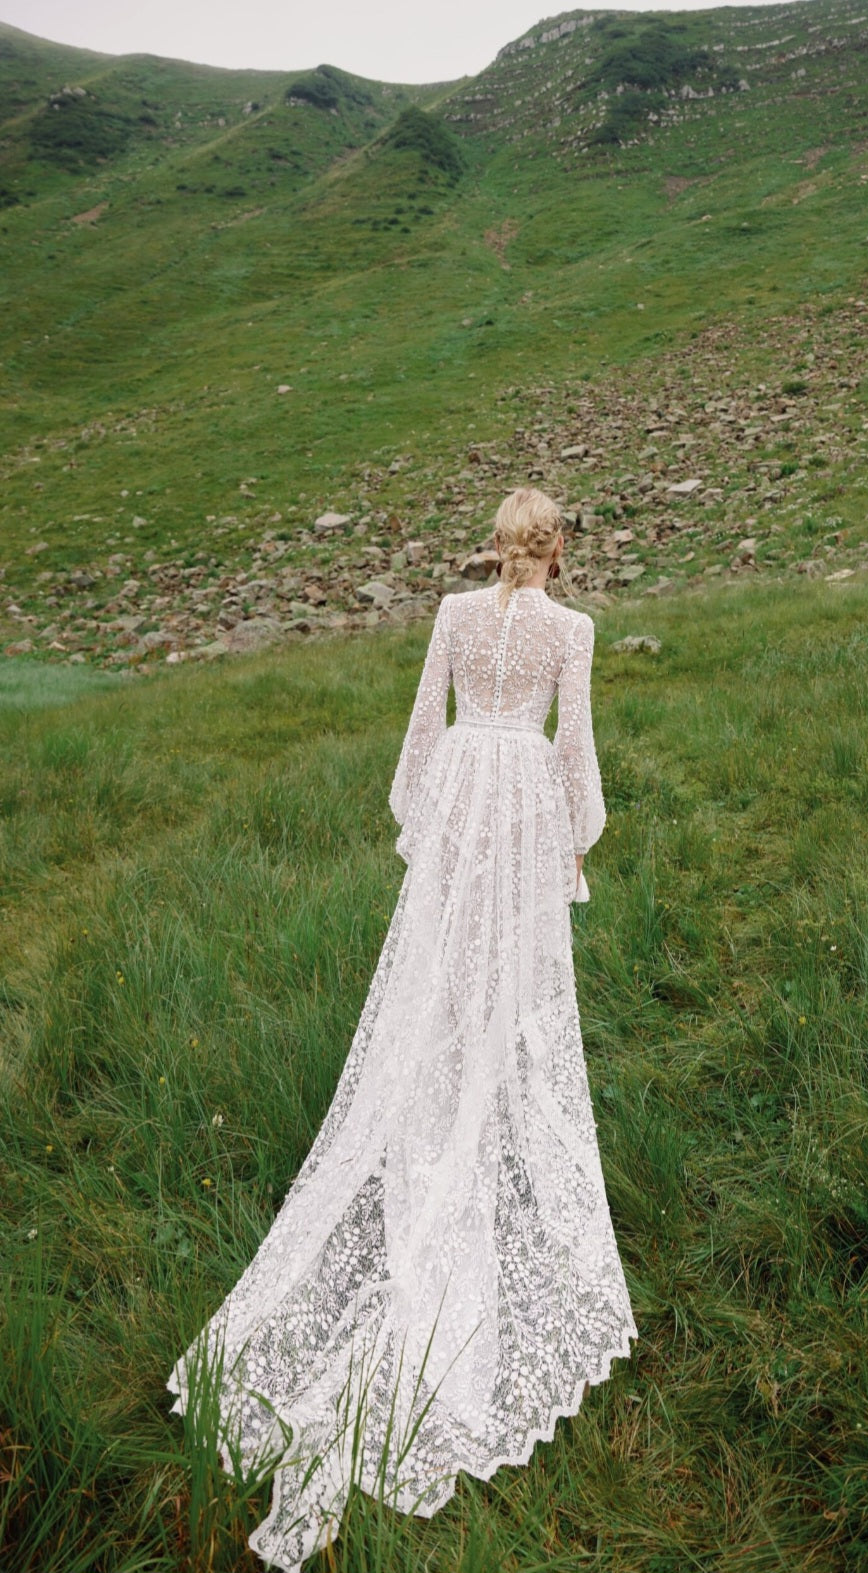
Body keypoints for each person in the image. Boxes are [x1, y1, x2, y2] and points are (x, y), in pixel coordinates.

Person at [167, 487, 637, 1572]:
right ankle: (473, 1119)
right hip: (518, 799)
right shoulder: (575, 631)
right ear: (557, 548)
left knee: (438, 983)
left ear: (498, 545)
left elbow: (424, 732)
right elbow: (577, 752)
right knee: (507, 990)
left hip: (471, 790)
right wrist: (577, 842)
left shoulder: (449, 613)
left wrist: (424, 829)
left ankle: (446, 1105)